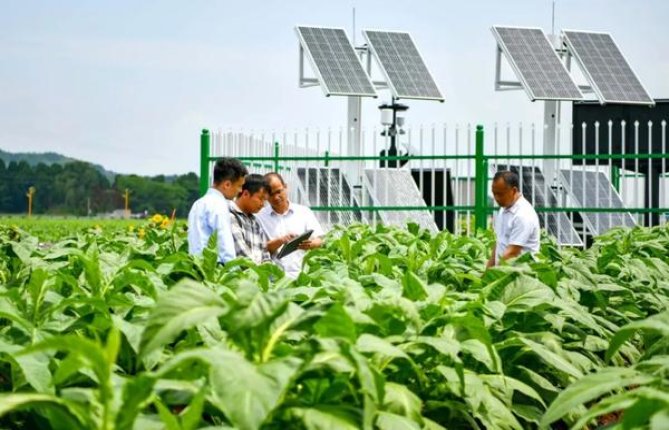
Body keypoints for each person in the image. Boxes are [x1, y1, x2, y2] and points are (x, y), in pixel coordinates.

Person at [257, 172, 324, 278]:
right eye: (271, 194)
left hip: (303, 276)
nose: (276, 197)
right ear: (265, 195)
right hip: (275, 279)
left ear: (285, 187)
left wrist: (311, 244)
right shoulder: (260, 217)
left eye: (278, 191)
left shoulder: (304, 212)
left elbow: (320, 239)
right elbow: (258, 248)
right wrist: (281, 241)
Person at [188, 158, 248, 264]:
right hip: (214, 267)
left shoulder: (198, 204)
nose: (240, 191)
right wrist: (233, 269)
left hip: (196, 264)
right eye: (239, 186)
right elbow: (224, 244)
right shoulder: (219, 205)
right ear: (227, 185)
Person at [229, 174, 287, 265]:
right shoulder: (231, 216)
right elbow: (242, 256)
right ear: (246, 194)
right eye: (260, 198)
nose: (262, 204)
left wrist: (268, 269)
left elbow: (265, 254)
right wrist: (262, 271)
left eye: (264, 200)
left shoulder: (255, 222)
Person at [486, 170, 540, 268]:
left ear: (514, 191)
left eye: (500, 194)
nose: (496, 198)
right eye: (494, 194)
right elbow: (499, 243)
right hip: (505, 270)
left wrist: (494, 274)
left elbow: (512, 252)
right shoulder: (504, 209)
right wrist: (488, 271)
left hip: (522, 273)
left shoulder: (523, 214)